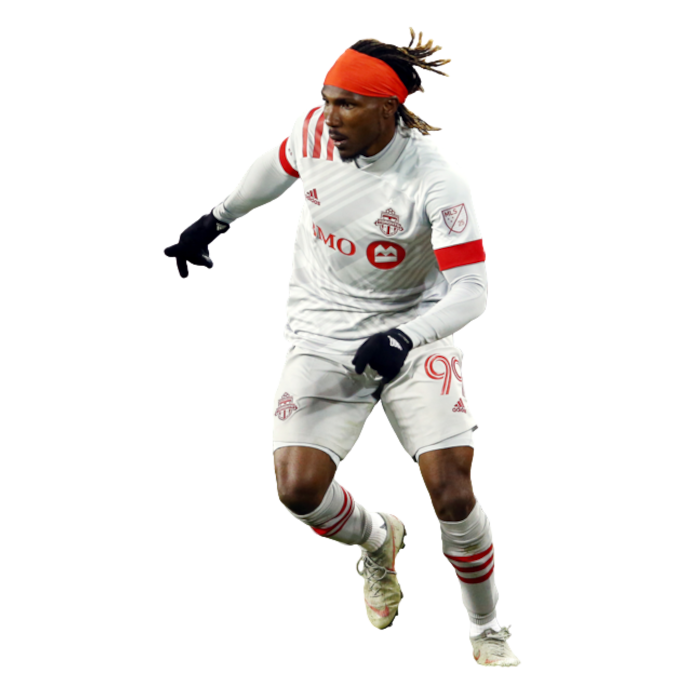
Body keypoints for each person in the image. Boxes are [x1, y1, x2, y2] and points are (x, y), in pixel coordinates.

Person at [164, 27, 520, 667]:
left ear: (389, 109)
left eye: (347, 104)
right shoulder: (314, 131)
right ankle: (377, 539)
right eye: (326, 99)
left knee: (452, 492)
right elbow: (276, 167)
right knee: (298, 493)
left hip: (413, 334)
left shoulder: (437, 177)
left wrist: (407, 336)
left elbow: (473, 290)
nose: (329, 116)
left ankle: (487, 628)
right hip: (323, 332)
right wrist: (214, 221)